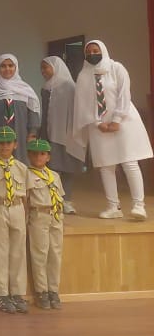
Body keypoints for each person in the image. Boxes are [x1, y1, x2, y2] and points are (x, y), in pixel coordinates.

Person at [73, 40, 152, 220]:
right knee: (106, 165)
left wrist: (116, 120)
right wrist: (97, 122)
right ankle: (113, 206)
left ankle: (139, 205)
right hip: (98, 125)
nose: (92, 54)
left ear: (103, 50)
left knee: (129, 162)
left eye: (96, 50)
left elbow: (124, 95)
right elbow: (82, 104)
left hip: (124, 122)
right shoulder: (83, 76)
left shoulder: (116, 68)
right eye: (88, 52)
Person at [0, 126, 29, 314]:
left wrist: (25, 214)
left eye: (8, 143)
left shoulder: (21, 168)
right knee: (0, 250)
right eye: (0, 143)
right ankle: (1, 294)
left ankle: (17, 292)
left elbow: (27, 195)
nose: (4, 146)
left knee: (18, 251)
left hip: (16, 207)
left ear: (15, 144)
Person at [39, 56, 85, 215]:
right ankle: (54, 199)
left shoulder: (70, 86)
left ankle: (67, 201)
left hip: (68, 134)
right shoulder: (45, 89)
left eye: (46, 67)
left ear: (56, 67)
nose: (43, 71)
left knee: (68, 168)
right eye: (41, 68)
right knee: (53, 168)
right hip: (51, 133)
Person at [26, 139, 66, 310]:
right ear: (29, 155)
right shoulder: (27, 175)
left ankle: (53, 289)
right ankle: (41, 290)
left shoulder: (54, 176)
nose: (38, 157)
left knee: (55, 253)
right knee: (40, 253)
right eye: (34, 154)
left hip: (55, 215)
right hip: (39, 214)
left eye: (42, 154)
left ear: (48, 157)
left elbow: (60, 196)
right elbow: (25, 200)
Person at [0, 54, 41, 162]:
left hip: (20, 133)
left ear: (16, 67)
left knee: (20, 163)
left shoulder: (25, 89)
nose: (7, 69)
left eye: (10, 65)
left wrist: (32, 134)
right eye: (3, 66)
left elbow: (33, 111)